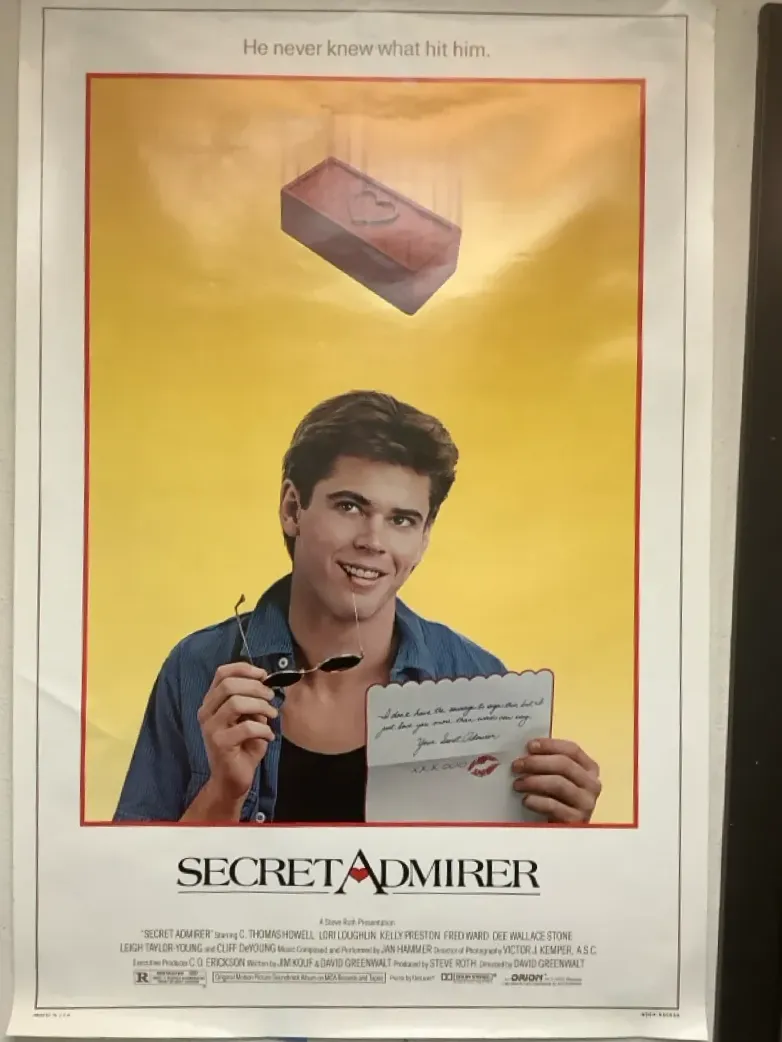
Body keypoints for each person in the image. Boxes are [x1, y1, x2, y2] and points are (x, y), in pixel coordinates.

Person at [114, 390, 602, 825]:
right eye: (350, 506)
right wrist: (224, 793)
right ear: (292, 508)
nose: (373, 541)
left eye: (402, 520)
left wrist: (559, 837)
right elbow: (133, 882)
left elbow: (497, 882)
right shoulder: (197, 667)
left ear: (424, 537)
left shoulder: (478, 679)